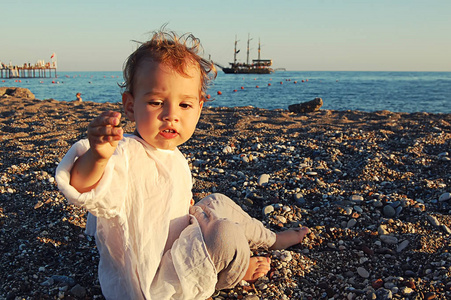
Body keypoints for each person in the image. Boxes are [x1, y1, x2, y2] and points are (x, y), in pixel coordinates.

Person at [55, 28, 309, 300]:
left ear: (200, 107)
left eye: (185, 105)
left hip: (181, 246)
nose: (171, 115)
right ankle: (237, 270)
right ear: (130, 106)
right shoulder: (124, 154)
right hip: (156, 283)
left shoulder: (173, 156)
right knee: (225, 234)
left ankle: (271, 238)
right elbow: (84, 187)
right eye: (155, 102)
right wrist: (98, 156)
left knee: (216, 203)